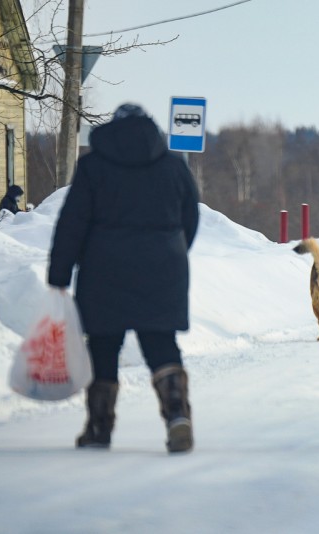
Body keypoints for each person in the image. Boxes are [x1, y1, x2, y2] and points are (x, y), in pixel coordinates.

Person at [48, 103, 200, 453]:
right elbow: (189, 218)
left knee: (102, 346)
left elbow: (72, 223)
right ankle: (177, 416)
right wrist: (172, 251)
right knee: (161, 344)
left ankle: (99, 428)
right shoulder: (173, 166)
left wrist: (59, 274)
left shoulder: (93, 167)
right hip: (163, 270)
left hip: (104, 271)